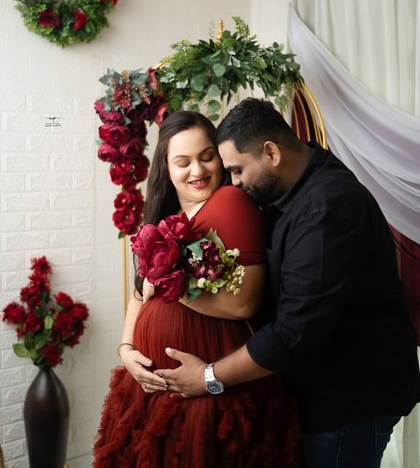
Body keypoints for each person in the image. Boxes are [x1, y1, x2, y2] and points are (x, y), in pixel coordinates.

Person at [155, 98, 420, 468]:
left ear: (271, 152)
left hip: (348, 404)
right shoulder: (290, 191)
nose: (233, 182)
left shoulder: (326, 207)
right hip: (321, 395)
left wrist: (208, 378)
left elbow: (294, 334)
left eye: (238, 170)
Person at [93, 110, 299, 467]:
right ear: (167, 169)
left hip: (207, 386)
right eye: (183, 162)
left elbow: (243, 304)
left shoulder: (229, 203)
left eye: (207, 157)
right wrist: (126, 349)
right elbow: (141, 293)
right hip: (152, 391)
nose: (198, 171)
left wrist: (172, 285)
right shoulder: (163, 219)